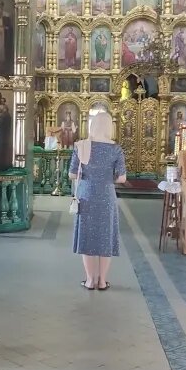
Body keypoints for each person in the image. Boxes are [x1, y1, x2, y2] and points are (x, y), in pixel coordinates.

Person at [69, 110, 127, 291]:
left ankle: (89, 280)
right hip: (106, 196)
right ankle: (102, 281)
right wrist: (107, 178)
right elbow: (122, 178)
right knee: (105, 237)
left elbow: (71, 174)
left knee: (87, 237)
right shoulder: (116, 149)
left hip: (86, 195)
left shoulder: (81, 146)